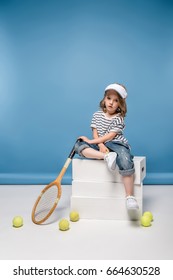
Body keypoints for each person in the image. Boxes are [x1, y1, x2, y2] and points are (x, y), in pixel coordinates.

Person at [74, 82, 139, 215]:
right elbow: (95, 133)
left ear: (120, 104)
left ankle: (130, 197)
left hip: (115, 143)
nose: (111, 103)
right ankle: (107, 157)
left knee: (125, 160)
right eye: (109, 98)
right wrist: (99, 146)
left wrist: (95, 142)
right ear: (104, 99)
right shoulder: (96, 115)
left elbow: (110, 136)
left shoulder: (119, 119)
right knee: (79, 144)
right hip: (100, 144)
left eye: (116, 101)